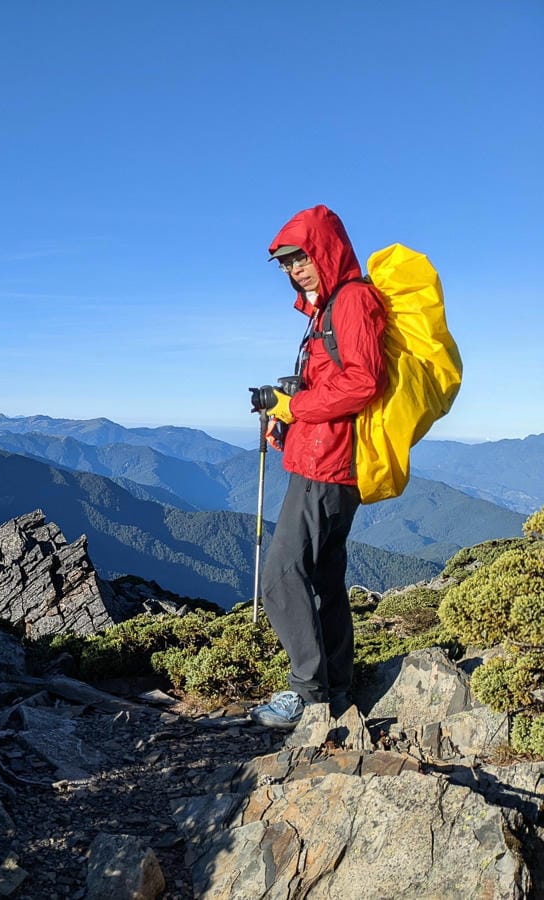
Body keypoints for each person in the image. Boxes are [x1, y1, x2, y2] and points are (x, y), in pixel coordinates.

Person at [248, 205, 388, 729]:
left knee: (281, 576)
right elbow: (332, 384)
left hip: (329, 467)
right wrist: (286, 418)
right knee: (323, 576)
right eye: (286, 262)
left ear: (325, 249)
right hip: (320, 456)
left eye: (301, 257)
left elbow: (362, 383)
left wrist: (295, 408)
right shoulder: (325, 309)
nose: (294, 268)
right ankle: (336, 686)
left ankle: (308, 696)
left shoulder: (351, 301)